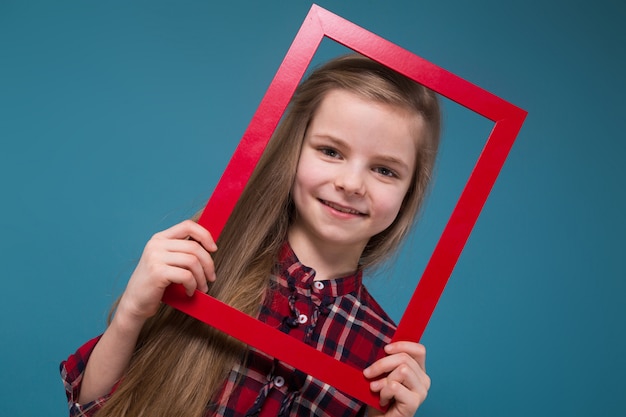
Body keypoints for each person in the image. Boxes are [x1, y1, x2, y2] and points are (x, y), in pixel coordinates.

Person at [61, 54, 441, 417]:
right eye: (330, 151)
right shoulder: (202, 262)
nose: (351, 183)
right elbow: (93, 409)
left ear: (410, 191)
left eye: (385, 171)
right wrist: (130, 313)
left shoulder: (386, 358)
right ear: (295, 149)